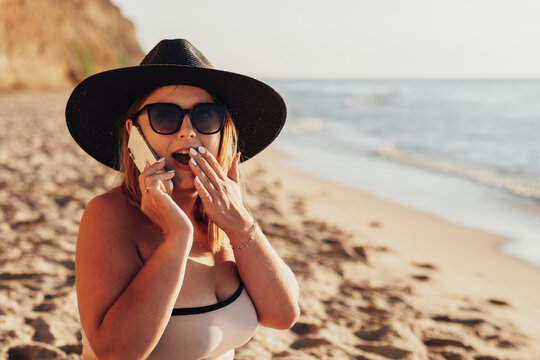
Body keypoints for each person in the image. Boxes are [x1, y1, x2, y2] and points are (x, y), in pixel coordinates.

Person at [66, 39, 300, 360]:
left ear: (222, 132)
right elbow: (116, 353)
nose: (188, 132)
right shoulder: (108, 214)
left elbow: (283, 315)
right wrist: (177, 238)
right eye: (164, 116)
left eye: (205, 116)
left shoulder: (226, 219)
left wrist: (241, 223)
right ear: (133, 135)